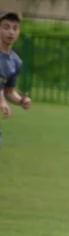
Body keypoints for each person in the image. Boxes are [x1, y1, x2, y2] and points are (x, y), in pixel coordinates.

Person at [0, 11, 32, 147]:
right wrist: (2, 102)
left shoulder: (15, 61)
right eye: (6, 27)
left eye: (15, 28)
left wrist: (20, 101)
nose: (11, 32)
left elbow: (8, 91)